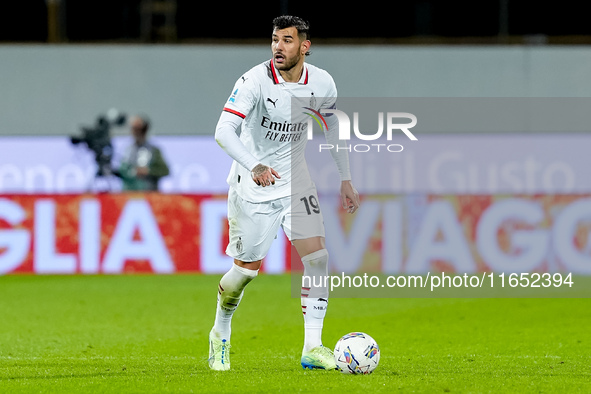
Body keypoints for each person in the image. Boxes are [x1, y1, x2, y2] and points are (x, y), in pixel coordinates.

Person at [209, 15, 360, 371]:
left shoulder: (321, 82)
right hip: (254, 186)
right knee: (244, 273)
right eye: (275, 39)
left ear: (304, 46)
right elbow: (223, 131)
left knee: (318, 258)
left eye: (287, 40)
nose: (278, 47)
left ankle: (313, 347)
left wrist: (346, 178)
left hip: (297, 182)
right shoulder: (254, 81)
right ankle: (220, 331)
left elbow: (333, 127)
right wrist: (254, 165)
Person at [117, 114, 170, 191]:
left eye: (139, 130)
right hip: (129, 194)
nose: (136, 133)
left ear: (145, 130)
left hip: (149, 194)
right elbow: (121, 170)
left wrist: (148, 171)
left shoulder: (154, 150)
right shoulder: (126, 150)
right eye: (134, 129)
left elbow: (164, 170)